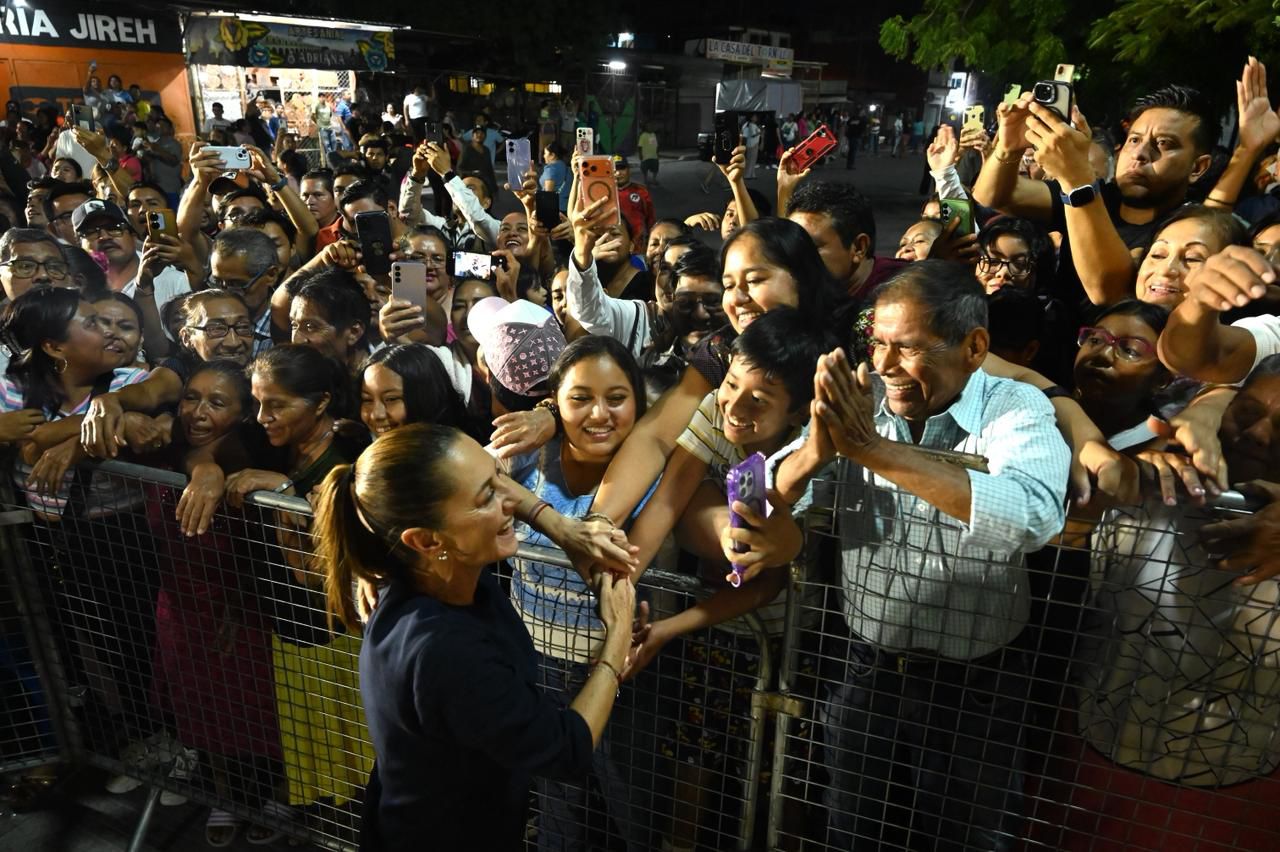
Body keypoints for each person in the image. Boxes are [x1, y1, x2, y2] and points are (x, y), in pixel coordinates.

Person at [770, 260, 1071, 850]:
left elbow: (1034, 514)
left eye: (906, 348)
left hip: (978, 685)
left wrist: (872, 452)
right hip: (867, 669)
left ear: (974, 347)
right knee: (855, 830)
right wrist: (814, 453)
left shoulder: (1015, 408)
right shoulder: (865, 400)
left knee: (971, 836)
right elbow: (762, 498)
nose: (884, 364)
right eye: (877, 343)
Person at [305, 421, 636, 850]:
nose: (510, 500)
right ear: (426, 540)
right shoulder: (445, 650)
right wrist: (617, 638)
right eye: (486, 498)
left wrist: (561, 527)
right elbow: (566, 749)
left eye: (499, 478)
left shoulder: (424, 574)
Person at [504, 335, 657, 851]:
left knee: (632, 814)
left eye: (616, 398)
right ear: (555, 403)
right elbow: (465, 478)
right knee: (557, 814)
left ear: (638, 402)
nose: (599, 414)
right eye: (580, 398)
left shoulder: (654, 473)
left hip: (625, 675)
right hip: (536, 668)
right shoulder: (528, 457)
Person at [221, 344, 373, 816]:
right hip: (293, 627)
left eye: (276, 405)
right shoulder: (283, 446)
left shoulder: (342, 462)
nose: (262, 417)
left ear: (321, 401)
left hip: (339, 635)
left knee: (358, 751)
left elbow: (313, 573)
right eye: (257, 403)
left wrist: (283, 492)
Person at [786, 180, 907, 300]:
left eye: (811, 247)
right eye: (792, 245)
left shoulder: (906, 293)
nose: (795, 257)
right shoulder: (795, 293)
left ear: (859, 248)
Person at [613, 156, 655, 253]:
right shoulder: (605, 193)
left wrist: (651, 241)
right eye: (614, 169)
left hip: (639, 248)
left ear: (628, 170)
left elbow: (650, 219)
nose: (618, 173)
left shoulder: (641, 191)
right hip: (615, 248)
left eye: (622, 168)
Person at [741, 114, 762, 180]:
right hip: (752, 144)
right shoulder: (751, 125)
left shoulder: (751, 125)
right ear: (751, 118)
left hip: (753, 143)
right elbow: (753, 134)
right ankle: (748, 175)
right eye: (754, 117)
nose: (756, 118)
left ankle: (752, 174)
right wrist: (760, 132)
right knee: (751, 160)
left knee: (752, 160)